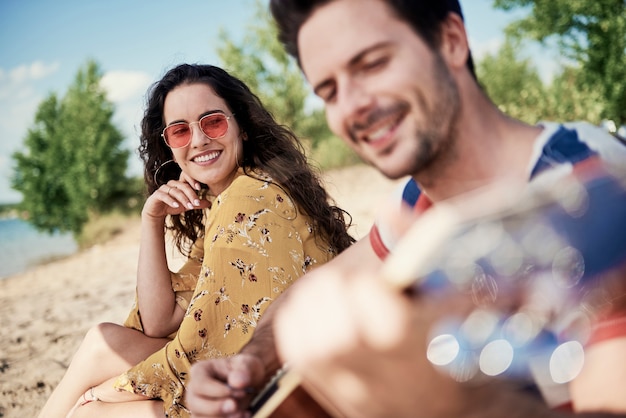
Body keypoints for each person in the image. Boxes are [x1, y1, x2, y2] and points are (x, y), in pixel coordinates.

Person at [185, 1, 626, 417]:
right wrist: (249, 364)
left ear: (451, 40)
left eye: (373, 64)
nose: (353, 105)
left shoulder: (593, 187)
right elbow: (312, 290)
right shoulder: (419, 202)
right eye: (329, 90)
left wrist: (449, 408)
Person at [37, 63, 354, 418]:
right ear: (169, 146)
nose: (199, 140)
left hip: (292, 384)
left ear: (242, 127)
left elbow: (211, 348)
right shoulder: (229, 196)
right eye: (180, 131)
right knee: (101, 343)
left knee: (89, 414)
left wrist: (109, 391)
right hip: (281, 364)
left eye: (212, 122)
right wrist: (151, 220)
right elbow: (161, 322)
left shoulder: (246, 200)